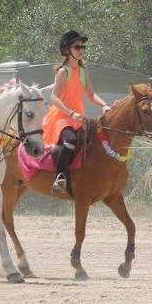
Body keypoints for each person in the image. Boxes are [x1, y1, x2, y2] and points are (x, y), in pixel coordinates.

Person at [43, 30, 111, 195]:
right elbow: (54, 98)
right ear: (67, 50)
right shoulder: (63, 72)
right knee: (71, 140)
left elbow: (90, 94)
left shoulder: (83, 70)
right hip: (61, 117)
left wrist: (104, 105)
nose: (81, 50)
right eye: (77, 47)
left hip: (78, 117)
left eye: (83, 47)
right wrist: (71, 113)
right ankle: (60, 177)